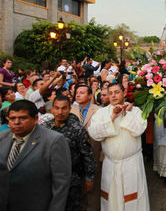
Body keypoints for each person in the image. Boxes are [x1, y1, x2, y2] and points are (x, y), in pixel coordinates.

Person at [0, 100, 71, 211]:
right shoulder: (2, 137)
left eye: (23, 118)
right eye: (12, 118)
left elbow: (61, 184)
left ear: (36, 119)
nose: (16, 122)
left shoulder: (53, 140)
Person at [88, 83, 149, 211]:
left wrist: (127, 114)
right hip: (111, 164)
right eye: (110, 93)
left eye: (117, 92)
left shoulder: (136, 111)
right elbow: (94, 133)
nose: (113, 95)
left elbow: (139, 130)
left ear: (124, 93)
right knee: (111, 200)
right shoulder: (102, 113)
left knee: (133, 199)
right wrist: (112, 117)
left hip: (131, 164)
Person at [42, 95, 96, 211]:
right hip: (48, 179)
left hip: (72, 180)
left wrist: (89, 178)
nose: (60, 112)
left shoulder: (77, 129)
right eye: (56, 108)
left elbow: (87, 155)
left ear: (70, 108)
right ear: (52, 109)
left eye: (64, 108)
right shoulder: (44, 127)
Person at [70, 85, 101, 211]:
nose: (78, 95)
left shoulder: (99, 110)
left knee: (94, 187)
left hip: (95, 152)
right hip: (76, 156)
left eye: (82, 93)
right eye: (77, 93)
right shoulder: (71, 110)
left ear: (89, 95)